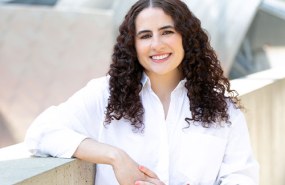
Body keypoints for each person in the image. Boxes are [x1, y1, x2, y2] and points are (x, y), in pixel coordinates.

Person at [24, 0, 259, 184]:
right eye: (145, 36)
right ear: (133, 46)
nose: (156, 44)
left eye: (167, 31)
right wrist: (115, 157)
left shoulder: (222, 107)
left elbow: (242, 176)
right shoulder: (105, 95)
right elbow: (42, 132)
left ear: (185, 38)